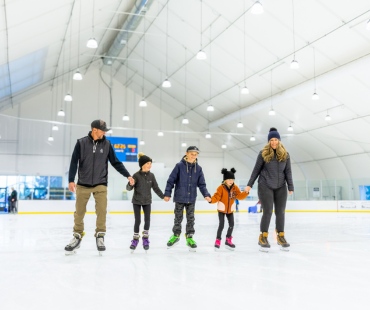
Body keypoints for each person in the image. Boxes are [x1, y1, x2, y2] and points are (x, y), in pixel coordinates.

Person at [64, 119, 134, 255]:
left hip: (100, 183)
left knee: (102, 211)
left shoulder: (107, 144)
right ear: (94, 129)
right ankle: (77, 236)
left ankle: (100, 236)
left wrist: (128, 175)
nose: (104, 132)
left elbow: (116, 162)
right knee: (79, 212)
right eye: (102, 130)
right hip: (83, 184)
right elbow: (74, 162)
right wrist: (71, 180)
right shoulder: (81, 143)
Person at [245, 127, 294, 252]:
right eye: (271, 140)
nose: (273, 142)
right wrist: (249, 184)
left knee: (280, 212)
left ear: (279, 140)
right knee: (267, 211)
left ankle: (281, 236)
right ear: (268, 141)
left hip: (281, 186)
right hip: (265, 185)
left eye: (275, 139)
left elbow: (288, 172)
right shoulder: (263, 154)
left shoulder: (285, 155)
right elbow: (256, 170)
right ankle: (263, 236)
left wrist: (290, 186)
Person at [164, 146, 211, 251]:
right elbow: (171, 180)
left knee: (191, 219)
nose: (193, 156)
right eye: (191, 153)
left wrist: (206, 195)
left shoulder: (198, 169)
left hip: (191, 198)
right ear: (187, 153)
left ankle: (189, 237)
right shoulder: (179, 166)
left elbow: (202, 184)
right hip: (180, 197)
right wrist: (167, 193)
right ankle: (176, 236)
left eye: (195, 154)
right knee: (178, 218)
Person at [126, 152, 165, 252]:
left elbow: (156, 188)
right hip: (137, 201)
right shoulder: (136, 175)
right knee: (137, 220)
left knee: (147, 220)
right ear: (142, 164)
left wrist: (163, 196)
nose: (150, 165)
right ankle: (135, 239)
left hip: (147, 201)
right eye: (148, 163)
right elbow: (128, 188)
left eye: (150, 163)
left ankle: (145, 238)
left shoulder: (151, 176)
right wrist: (130, 184)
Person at [209, 168, 248, 250]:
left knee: (232, 224)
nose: (231, 181)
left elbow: (239, 196)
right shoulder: (221, 188)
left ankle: (228, 239)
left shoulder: (235, 187)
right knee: (221, 225)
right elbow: (216, 196)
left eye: (232, 179)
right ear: (225, 180)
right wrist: (211, 200)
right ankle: (218, 240)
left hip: (230, 210)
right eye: (229, 179)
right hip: (222, 210)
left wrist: (246, 192)